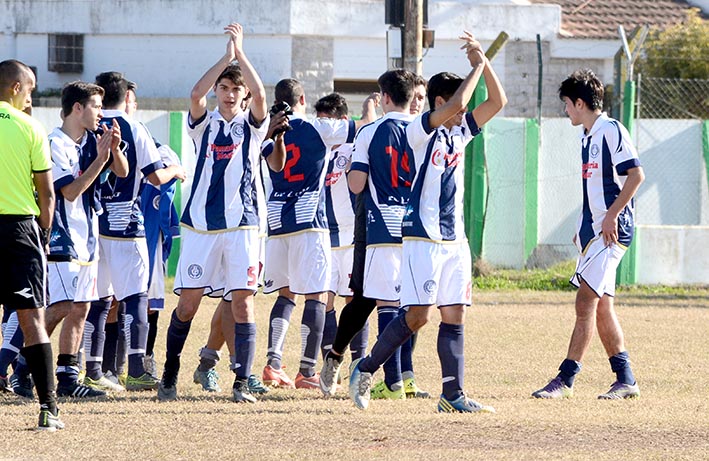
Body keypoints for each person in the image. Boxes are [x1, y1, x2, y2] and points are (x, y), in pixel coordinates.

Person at [348, 31, 507, 413]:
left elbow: (497, 101)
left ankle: (452, 395)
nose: (464, 111)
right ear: (440, 103)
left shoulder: (460, 134)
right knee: (417, 316)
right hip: (421, 237)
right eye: (453, 104)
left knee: (455, 313)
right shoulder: (419, 131)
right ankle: (366, 368)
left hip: (454, 240)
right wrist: (478, 65)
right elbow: (461, 100)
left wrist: (485, 66)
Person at [158, 23, 283, 403]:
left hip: (243, 226)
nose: (229, 95)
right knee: (188, 304)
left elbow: (263, 93)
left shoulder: (254, 128)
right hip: (200, 228)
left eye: (236, 89)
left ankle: (242, 382)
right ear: (218, 92)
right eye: (225, 88)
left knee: (243, 302)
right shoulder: (204, 125)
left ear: (244, 97)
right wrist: (227, 58)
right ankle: (169, 373)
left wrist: (242, 54)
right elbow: (196, 93)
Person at [532, 69, 644, 400]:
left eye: (567, 104)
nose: (565, 110)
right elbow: (594, 189)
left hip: (611, 232)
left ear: (580, 103)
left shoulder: (611, 130)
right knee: (602, 307)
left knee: (585, 303)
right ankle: (626, 380)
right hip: (594, 233)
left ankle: (565, 380)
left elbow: (636, 175)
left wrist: (611, 216)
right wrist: (584, 228)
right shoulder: (587, 135)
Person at [260, 79, 376, 390]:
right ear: (301, 99)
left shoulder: (266, 130)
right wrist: (368, 111)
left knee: (285, 295)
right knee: (316, 295)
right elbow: (363, 127)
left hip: (276, 220)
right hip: (310, 219)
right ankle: (308, 371)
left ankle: (273, 363)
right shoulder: (318, 126)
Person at [92, 70, 185, 392]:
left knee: (99, 299)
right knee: (134, 297)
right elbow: (155, 177)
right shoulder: (134, 128)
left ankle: (93, 369)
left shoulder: (89, 122)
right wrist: (177, 169)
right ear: (126, 97)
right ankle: (136, 368)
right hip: (126, 225)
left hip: (94, 223)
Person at [43, 81, 128, 397]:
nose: (100, 113)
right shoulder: (53, 143)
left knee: (80, 308)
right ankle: (24, 364)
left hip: (89, 239)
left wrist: (113, 150)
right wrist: (100, 159)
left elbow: (121, 172)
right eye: (95, 106)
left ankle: (67, 380)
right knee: (61, 305)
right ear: (77, 108)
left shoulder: (93, 141)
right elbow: (70, 190)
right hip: (63, 238)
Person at [342, 68, 418, 401]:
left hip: (382, 227)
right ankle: (405, 376)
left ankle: (394, 382)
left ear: (385, 97)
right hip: (418, 230)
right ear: (412, 96)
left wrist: (350, 170)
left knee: (387, 303)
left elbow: (357, 184)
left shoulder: (371, 132)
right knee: (410, 305)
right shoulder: (423, 130)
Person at [0, 59, 61, 430]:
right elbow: (48, 193)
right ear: (16, 88)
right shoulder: (30, 127)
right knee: (32, 320)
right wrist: (44, 233)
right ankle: (49, 410)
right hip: (20, 230)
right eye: (32, 89)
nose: (32, 96)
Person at [316, 93, 372, 369]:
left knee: (355, 300)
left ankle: (357, 363)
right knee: (324, 301)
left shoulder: (354, 147)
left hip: (351, 238)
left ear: (342, 122)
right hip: (323, 237)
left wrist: (369, 111)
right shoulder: (317, 151)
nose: (325, 129)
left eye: (329, 122)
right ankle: (330, 363)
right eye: (320, 123)